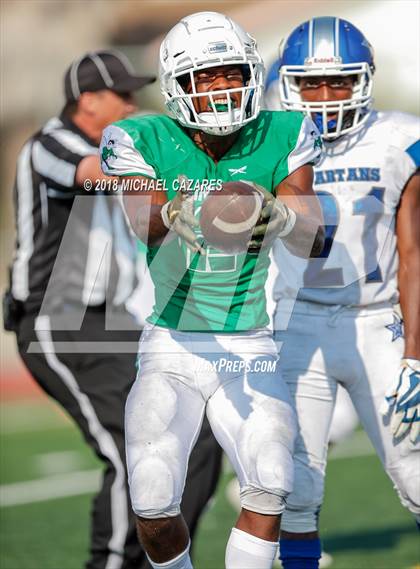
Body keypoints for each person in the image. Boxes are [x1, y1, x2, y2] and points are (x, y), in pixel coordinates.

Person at [100, 11, 325, 569]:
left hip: (250, 344)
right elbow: (141, 218)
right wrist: (177, 207)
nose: (223, 86)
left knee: (272, 478)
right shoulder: (140, 136)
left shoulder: (286, 130)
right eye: (208, 76)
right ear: (178, 86)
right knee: (151, 500)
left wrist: (283, 215)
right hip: (172, 344)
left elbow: (312, 233)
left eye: (231, 72)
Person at [3, 49, 222, 569]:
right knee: (135, 447)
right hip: (56, 320)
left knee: (199, 433)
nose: (132, 103)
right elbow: (97, 173)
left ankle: (160, 559)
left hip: (113, 319)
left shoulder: (122, 146)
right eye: (122, 94)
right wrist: (183, 171)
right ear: (89, 100)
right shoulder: (51, 143)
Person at [265, 16, 420, 569]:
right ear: (289, 83)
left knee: (414, 467)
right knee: (294, 485)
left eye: (339, 82)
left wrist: (416, 355)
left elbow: (414, 255)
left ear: (364, 81)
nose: (325, 97)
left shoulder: (401, 138)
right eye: (311, 83)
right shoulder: (267, 140)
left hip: (378, 322)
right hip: (297, 321)